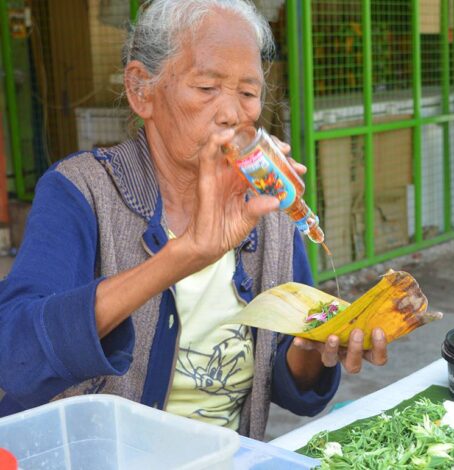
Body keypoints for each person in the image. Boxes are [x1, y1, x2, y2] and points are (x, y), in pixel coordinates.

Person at [0, 0, 387, 440]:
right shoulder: (82, 190)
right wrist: (184, 254)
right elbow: (14, 354)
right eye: (206, 88)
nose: (231, 113)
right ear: (141, 90)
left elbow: (286, 381)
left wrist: (313, 350)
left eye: (248, 92)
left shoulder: (267, 206)